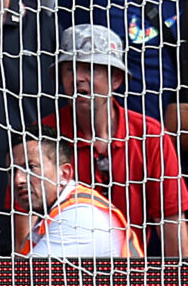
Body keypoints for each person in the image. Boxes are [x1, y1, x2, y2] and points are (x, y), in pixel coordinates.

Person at [40, 22, 188, 257]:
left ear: (116, 79)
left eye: (90, 68)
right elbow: (24, 227)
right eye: (69, 69)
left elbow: (172, 225)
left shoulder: (150, 135)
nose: (78, 78)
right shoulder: (41, 137)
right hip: (59, 281)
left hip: (131, 279)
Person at [10, 131, 139, 257]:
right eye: (12, 171)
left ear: (64, 174)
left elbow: (27, 277)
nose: (18, 180)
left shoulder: (79, 216)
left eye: (31, 167)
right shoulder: (57, 212)